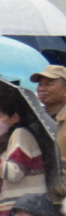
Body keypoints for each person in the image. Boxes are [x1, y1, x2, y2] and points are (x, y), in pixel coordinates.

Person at [31, 64, 66, 200]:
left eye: (49, 84)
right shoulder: (36, 119)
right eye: (40, 84)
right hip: (41, 198)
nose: (41, 89)